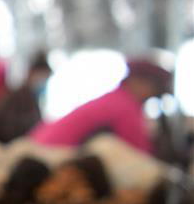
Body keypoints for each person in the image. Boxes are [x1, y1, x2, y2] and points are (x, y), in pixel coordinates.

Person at [29, 59, 173, 155]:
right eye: (154, 87)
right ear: (139, 81)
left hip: (38, 147)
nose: (151, 94)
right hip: (50, 156)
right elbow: (140, 153)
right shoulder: (125, 107)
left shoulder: (116, 99)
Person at [0, 51, 52, 143]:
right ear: (31, 73)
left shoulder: (29, 98)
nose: (43, 83)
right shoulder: (19, 99)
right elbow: (13, 132)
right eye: (43, 78)